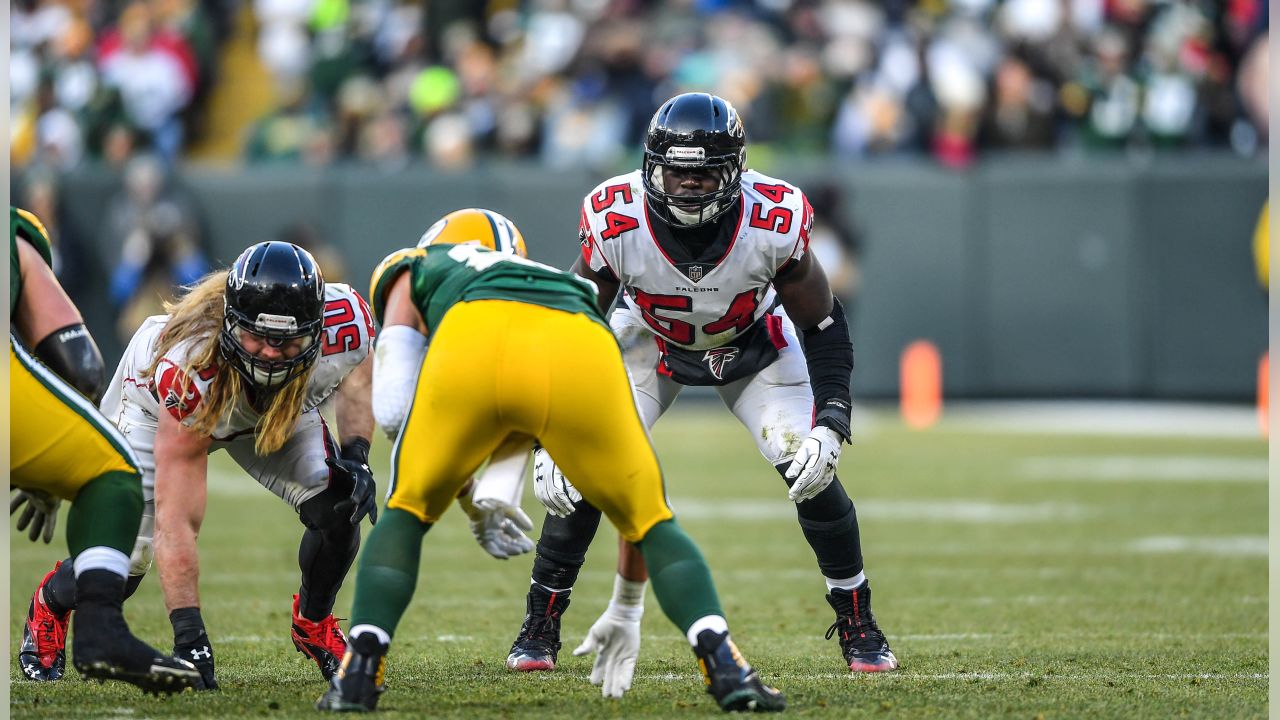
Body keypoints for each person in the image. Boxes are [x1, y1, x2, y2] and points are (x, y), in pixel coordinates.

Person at [315, 208, 785, 713]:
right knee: (652, 517)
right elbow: (534, 397)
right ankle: (724, 662)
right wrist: (626, 609)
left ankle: (360, 669)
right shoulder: (558, 281)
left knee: (406, 511)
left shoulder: (415, 264)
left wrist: (467, 498)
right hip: (582, 335)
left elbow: (393, 411)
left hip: (474, 339)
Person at [507, 93, 897, 683]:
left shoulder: (774, 218)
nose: (688, 185)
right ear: (651, 167)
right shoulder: (616, 218)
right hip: (647, 342)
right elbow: (570, 322)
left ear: (734, 170)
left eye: (704, 172)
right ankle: (540, 624)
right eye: (677, 171)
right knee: (582, 468)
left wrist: (833, 417)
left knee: (809, 467)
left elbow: (821, 322)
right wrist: (546, 437)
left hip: (754, 345)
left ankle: (858, 622)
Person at [18, 240, 379, 689]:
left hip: (274, 408)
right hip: (161, 409)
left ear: (316, 327)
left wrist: (357, 454)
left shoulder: (345, 321)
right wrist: (190, 637)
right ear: (230, 321)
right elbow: (178, 520)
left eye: (286, 342)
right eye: (257, 336)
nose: (269, 353)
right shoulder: (188, 364)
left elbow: (358, 374)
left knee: (341, 505)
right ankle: (51, 602)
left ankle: (314, 624)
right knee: (126, 563)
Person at [10, 206, 199, 693]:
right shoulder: (16, 233)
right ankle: (79, 617)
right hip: (158, 379)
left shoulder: (189, 269)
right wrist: (52, 464)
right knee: (117, 491)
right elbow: (85, 360)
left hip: (195, 377)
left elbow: (192, 285)